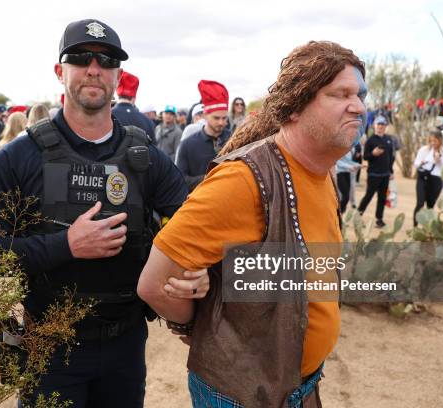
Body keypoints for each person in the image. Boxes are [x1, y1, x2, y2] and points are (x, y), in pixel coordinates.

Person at [0, 18, 205, 407]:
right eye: (81, 58)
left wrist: (194, 273)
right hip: (50, 346)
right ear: (60, 71)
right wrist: (66, 244)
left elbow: (191, 226)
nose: (94, 68)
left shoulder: (145, 158)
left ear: (118, 75)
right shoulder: (20, 157)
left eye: (107, 60)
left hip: (125, 345)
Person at [138, 40, 367, 408]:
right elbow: (154, 283)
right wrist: (195, 326)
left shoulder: (321, 172)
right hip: (242, 393)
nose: (357, 106)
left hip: (300, 386)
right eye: (339, 94)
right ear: (294, 108)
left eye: (359, 94)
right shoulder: (243, 182)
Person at [176, 80, 231, 191]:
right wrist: (209, 178)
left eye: (224, 118)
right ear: (205, 115)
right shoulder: (188, 144)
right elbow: (180, 179)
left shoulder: (234, 139)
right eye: (216, 118)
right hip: (200, 202)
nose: (221, 122)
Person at [357, 115, 395, 228]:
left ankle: (379, 219)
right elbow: (365, 157)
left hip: (385, 174)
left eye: (383, 125)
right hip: (373, 174)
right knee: (369, 196)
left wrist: (391, 172)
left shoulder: (388, 139)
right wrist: (373, 153)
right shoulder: (370, 140)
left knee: (382, 198)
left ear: (385, 126)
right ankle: (358, 217)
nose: (380, 127)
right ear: (374, 126)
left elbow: (391, 157)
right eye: (378, 124)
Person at [413, 130, 443, 226]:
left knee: (430, 205)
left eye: (435, 141)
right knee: (420, 203)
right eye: (431, 141)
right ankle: (415, 226)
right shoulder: (424, 150)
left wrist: (440, 161)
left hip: (436, 180)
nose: (433, 143)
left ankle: (427, 228)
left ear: (440, 140)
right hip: (423, 177)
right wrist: (421, 162)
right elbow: (416, 163)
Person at [111, 71, 156, 141]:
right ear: (134, 98)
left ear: (118, 94)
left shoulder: (106, 116)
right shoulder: (148, 121)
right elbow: (153, 149)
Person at [336, 147, 362, 213]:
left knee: (346, 197)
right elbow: (338, 161)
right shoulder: (341, 148)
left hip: (347, 173)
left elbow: (348, 162)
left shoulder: (351, 149)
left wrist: (358, 165)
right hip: (340, 173)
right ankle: (338, 213)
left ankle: (341, 214)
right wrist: (349, 167)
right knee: (344, 196)